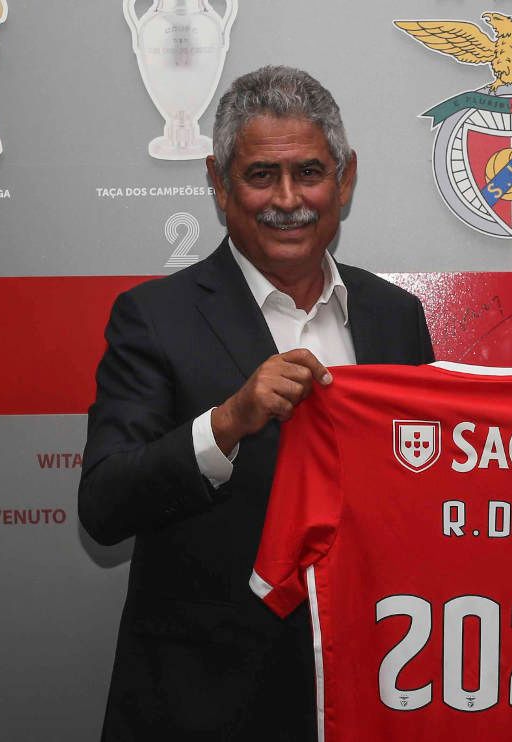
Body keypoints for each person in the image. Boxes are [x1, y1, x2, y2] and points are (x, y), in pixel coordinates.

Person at [78, 65, 434, 740]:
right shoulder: (154, 318)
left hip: (370, 692)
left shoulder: (396, 317)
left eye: (309, 172)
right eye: (260, 175)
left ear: (346, 178)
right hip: (204, 707)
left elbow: (429, 485)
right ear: (217, 183)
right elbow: (103, 506)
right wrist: (226, 424)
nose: (289, 198)